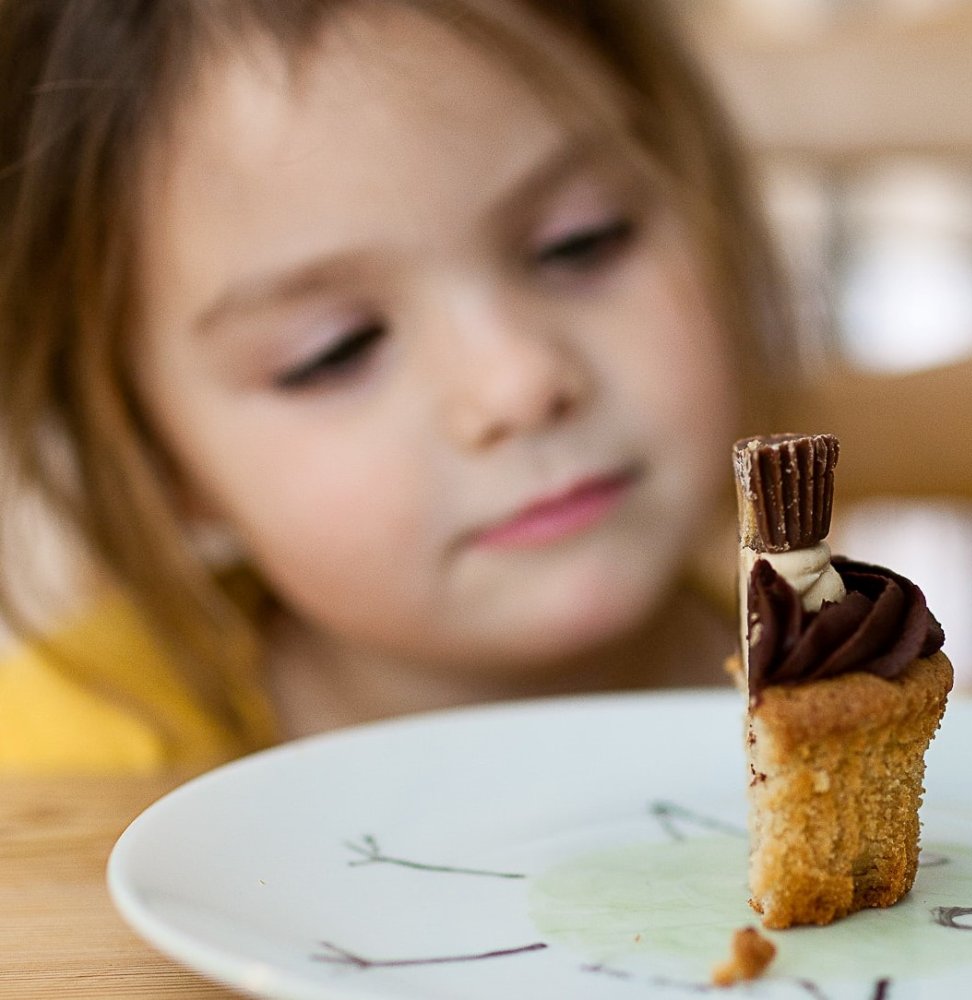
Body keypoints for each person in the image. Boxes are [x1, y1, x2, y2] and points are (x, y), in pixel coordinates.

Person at [0, 0, 795, 772]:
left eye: (580, 242)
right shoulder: (40, 772)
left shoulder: (863, 675)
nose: (516, 383)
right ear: (153, 456)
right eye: (334, 351)